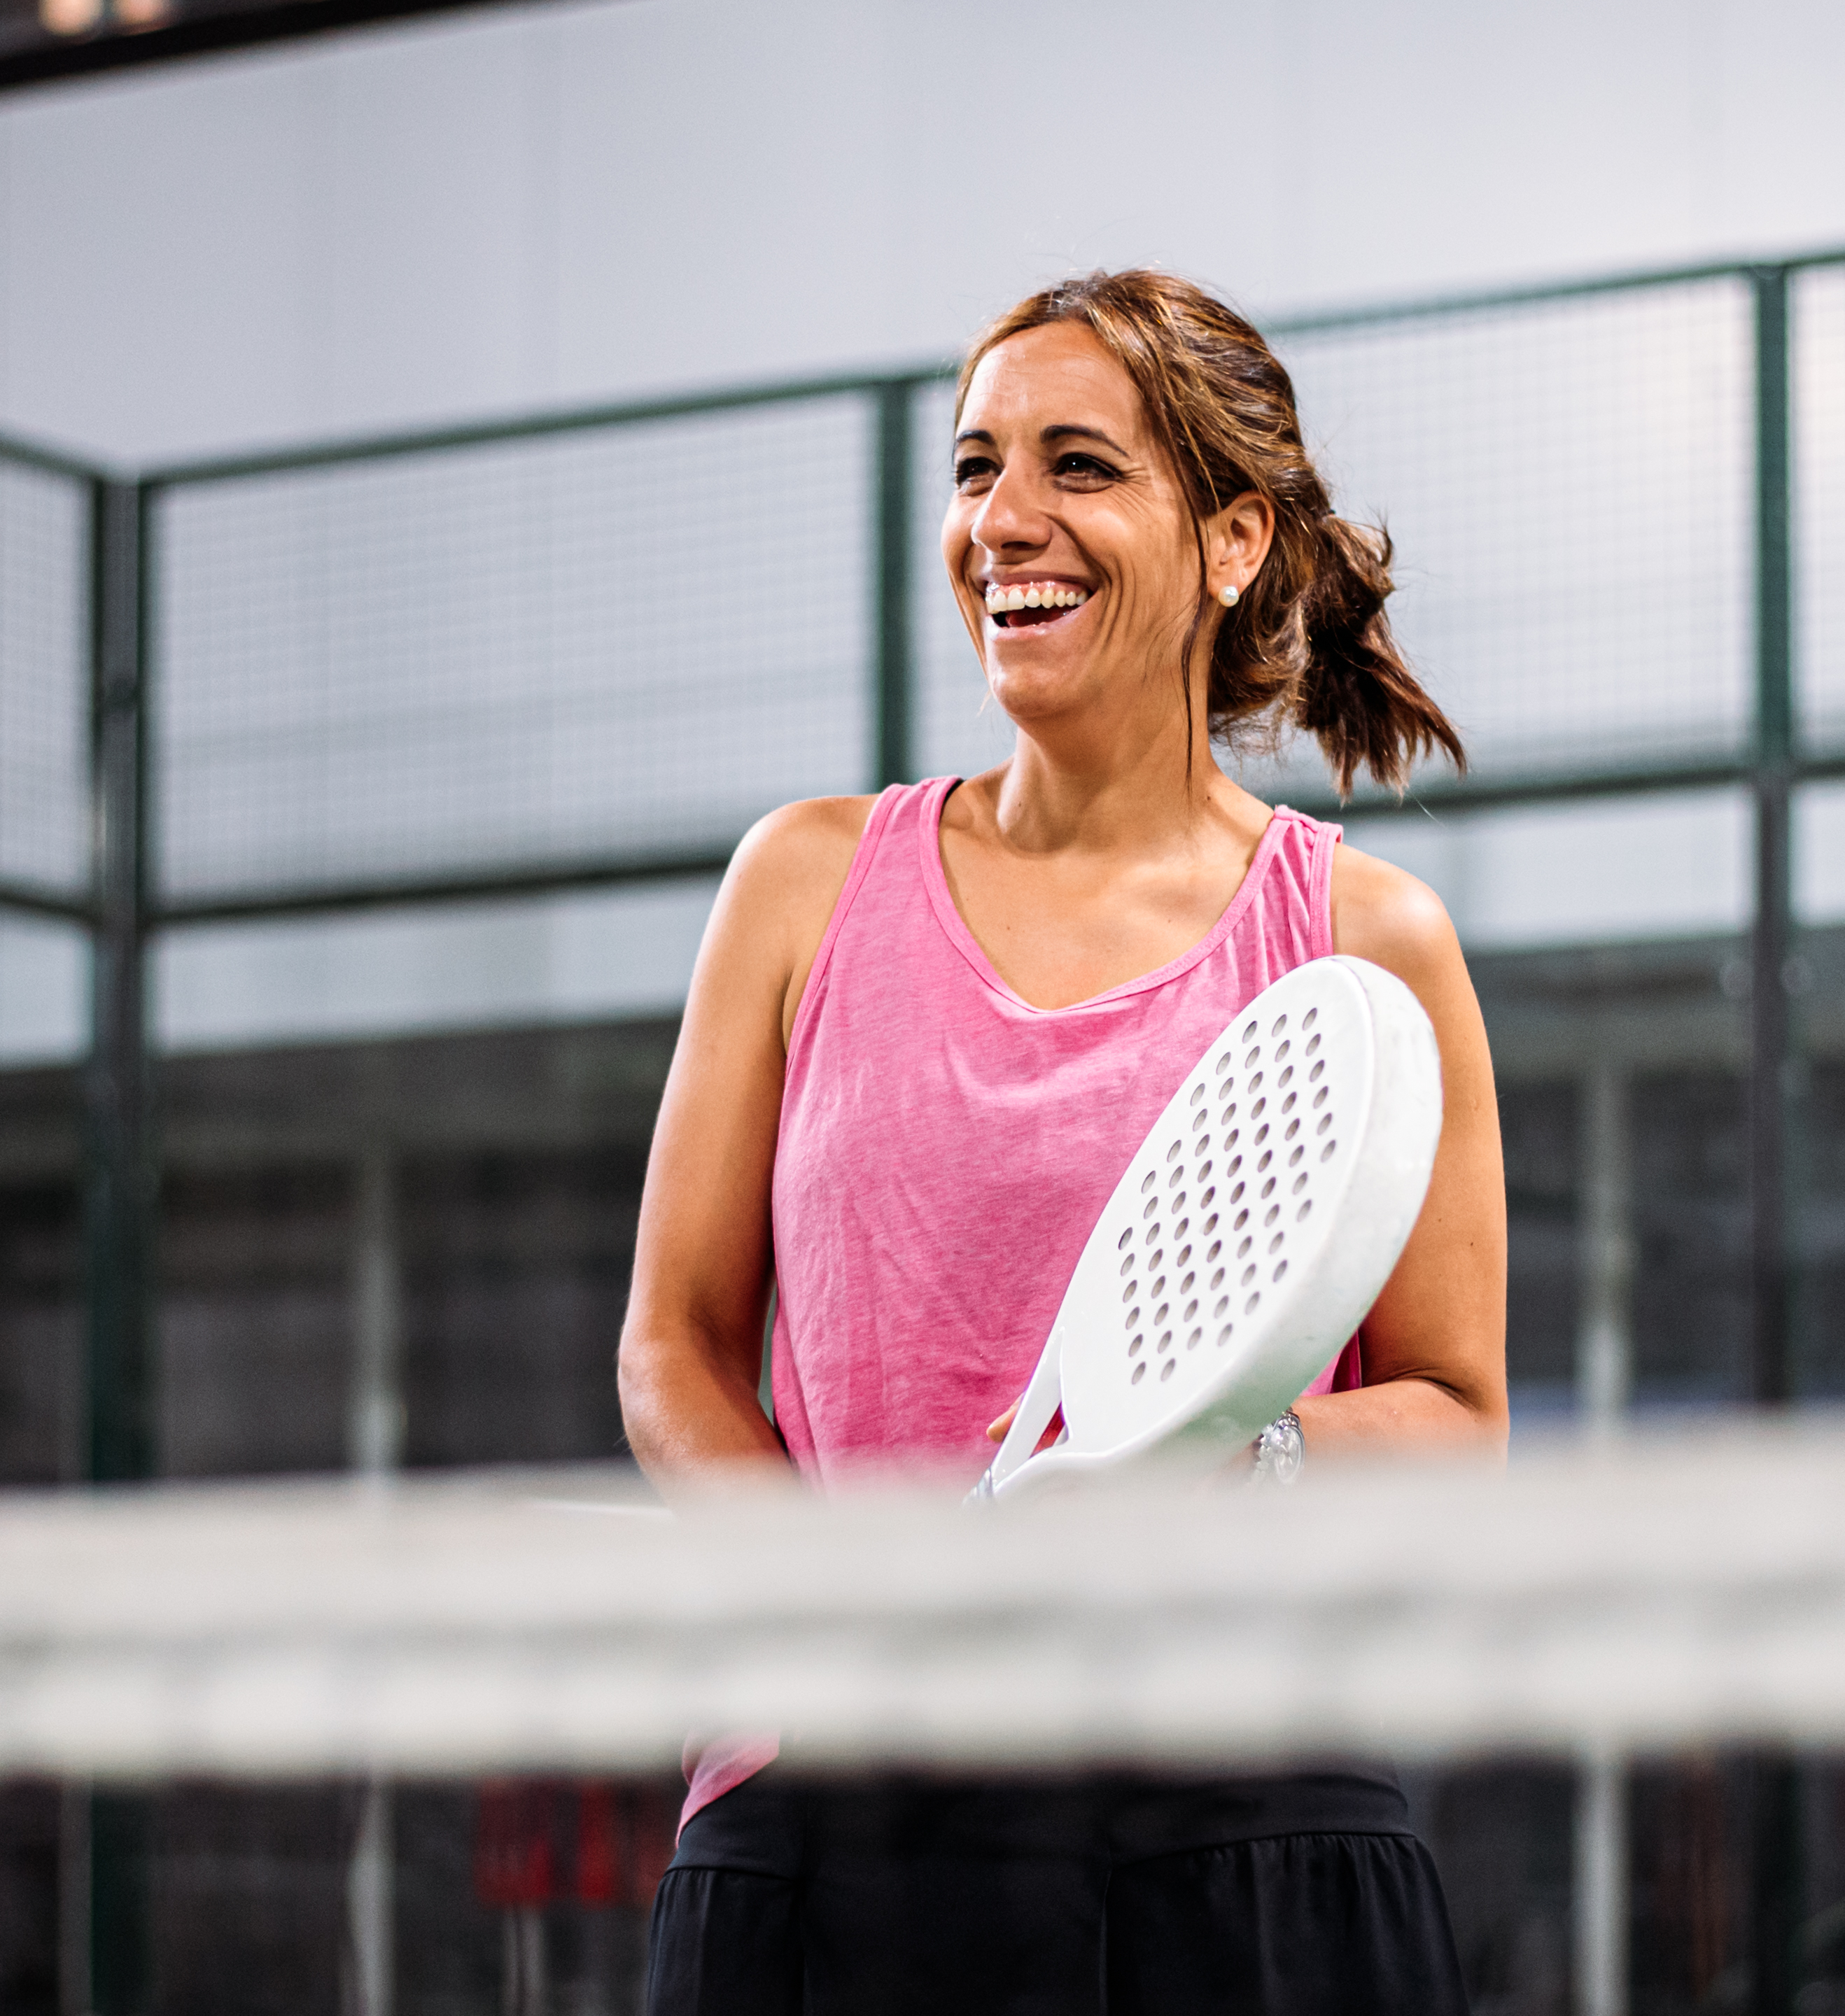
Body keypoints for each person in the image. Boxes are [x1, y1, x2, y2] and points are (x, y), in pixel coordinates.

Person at [618, 268, 1508, 2015]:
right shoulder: (799, 883)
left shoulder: (1367, 936)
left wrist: (1208, 1475)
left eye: (1080, 466)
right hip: (833, 1807)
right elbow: (673, 1344)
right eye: (974, 467)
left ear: (1234, 537)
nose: (1001, 521)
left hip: (1243, 1820)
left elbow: (1454, 1415)